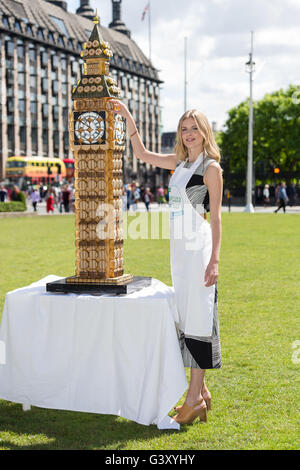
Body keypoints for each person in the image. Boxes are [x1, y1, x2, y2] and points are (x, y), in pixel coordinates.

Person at [110, 99, 223, 425]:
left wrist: (214, 260)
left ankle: (193, 399)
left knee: (199, 321)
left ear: (205, 132)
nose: (189, 134)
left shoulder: (210, 168)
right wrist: (128, 117)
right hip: (179, 254)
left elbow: (215, 219)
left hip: (199, 253)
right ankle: (200, 394)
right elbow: (143, 154)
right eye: (185, 129)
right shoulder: (179, 162)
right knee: (187, 320)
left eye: (195, 129)